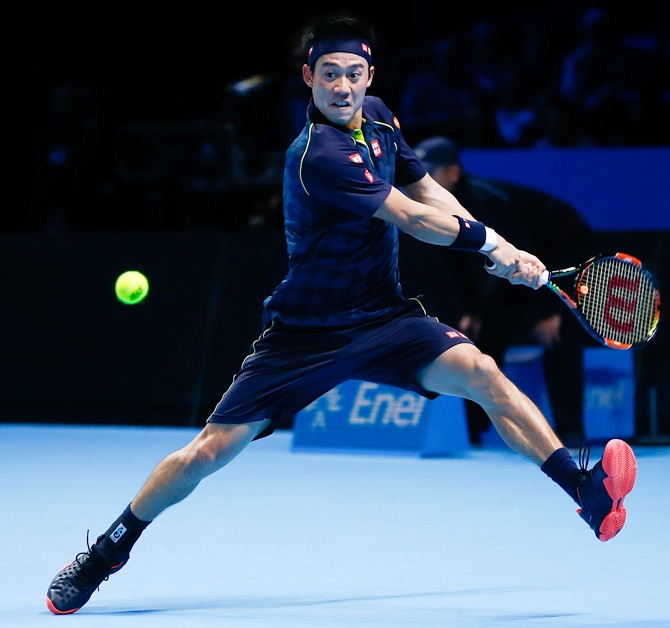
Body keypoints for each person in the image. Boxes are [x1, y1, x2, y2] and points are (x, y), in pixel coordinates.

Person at [46, 12, 637, 615]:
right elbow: (411, 217)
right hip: (304, 333)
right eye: (329, 75)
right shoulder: (317, 155)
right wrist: (490, 245)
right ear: (309, 77)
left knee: (483, 373)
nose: (343, 87)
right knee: (207, 454)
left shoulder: (379, 118)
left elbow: (428, 188)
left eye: (354, 74)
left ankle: (584, 491)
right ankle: (107, 551)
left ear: (369, 76)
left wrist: (500, 248)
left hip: (385, 317)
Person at [412, 135, 598, 447]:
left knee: (558, 334)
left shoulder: (485, 200)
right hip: (519, 267)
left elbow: (526, 253)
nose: (423, 179)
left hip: (561, 246)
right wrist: (473, 309)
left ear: (453, 173)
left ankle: (571, 431)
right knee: (485, 335)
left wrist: (548, 313)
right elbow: (455, 261)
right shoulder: (437, 209)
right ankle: (474, 431)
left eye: (431, 172)